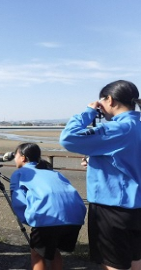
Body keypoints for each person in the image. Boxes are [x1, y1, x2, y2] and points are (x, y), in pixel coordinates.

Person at [60, 80, 141, 270]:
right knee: (136, 260)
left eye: (101, 102)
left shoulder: (118, 129)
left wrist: (88, 113)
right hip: (136, 207)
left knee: (113, 264)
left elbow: (68, 138)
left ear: (110, 100)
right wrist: (95, 160)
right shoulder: (136, 126)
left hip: (113, 208)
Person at [10, 143, 86, 270]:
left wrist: (30, 220)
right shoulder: (52, 172)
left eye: (15, 155)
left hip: (47, 217)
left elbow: (19, 203)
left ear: (23, 158)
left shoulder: (19, 173)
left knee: (36, 254)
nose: (14, 159)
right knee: (54, 250)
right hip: (75, 217)